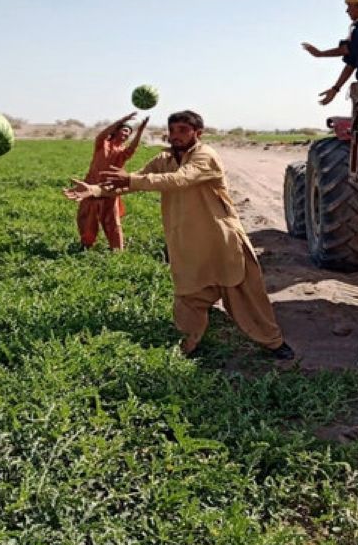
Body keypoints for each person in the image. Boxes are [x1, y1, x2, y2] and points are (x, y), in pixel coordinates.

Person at [63, 110, 293, 360]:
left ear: (198, 133)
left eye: (183, 130)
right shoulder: (164, 159)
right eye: (172, 131)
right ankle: (187, 346)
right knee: (188, 297)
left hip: (221, 240)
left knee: (245, 295)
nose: (176, 136)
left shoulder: (206, 156)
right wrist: (96, 190)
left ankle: (274, 343)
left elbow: (180, 179)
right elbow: (133, 181)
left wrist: (130, 179)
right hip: (187, 243)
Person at [76, 112, 149, 249]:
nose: (127, 134)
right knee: (86, 218)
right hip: (90, 186)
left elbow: (132, 148)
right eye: (125, 130)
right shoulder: (102, 144)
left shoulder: (122, 152)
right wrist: (122, 120)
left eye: (129, 133)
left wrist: (140, 131)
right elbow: (104, 133)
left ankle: (117, 250)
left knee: (112, 221)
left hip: (110, 188)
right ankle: (86, 245)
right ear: (116, 131)